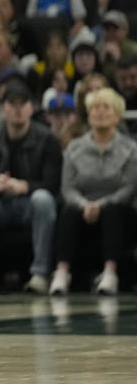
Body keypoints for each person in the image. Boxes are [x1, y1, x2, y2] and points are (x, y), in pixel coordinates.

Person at [0, 83, 62, 295]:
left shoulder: (48, 140)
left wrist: (25, 186)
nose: (18, 109)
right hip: (0, 204)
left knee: (43, 199)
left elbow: (53, 183)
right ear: (3, 109)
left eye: (23, 104)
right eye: (12, 104)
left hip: (30, 205)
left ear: (31, 108)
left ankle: (40, 274)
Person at [51, 88, 137, 295]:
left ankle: (110, 272)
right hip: (83, 207)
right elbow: (67, 187)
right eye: (95, 108)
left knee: (114, 210)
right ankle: (62, 272)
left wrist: (101, 204)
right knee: (69, 210)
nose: (100, 112)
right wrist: (84, 204)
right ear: (88, 115)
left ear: (117, 116)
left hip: (118, 209)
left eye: (106, 108)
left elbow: (129, 187)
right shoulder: (74, 148)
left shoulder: (131, 149)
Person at [99, 11, 137, 80]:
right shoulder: (97, 49)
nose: (110, 33)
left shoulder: (134, 50)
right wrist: (98, 63)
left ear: (126, 30)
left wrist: (119, 60)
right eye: (107, 29)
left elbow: (131, 81)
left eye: (115, 29)